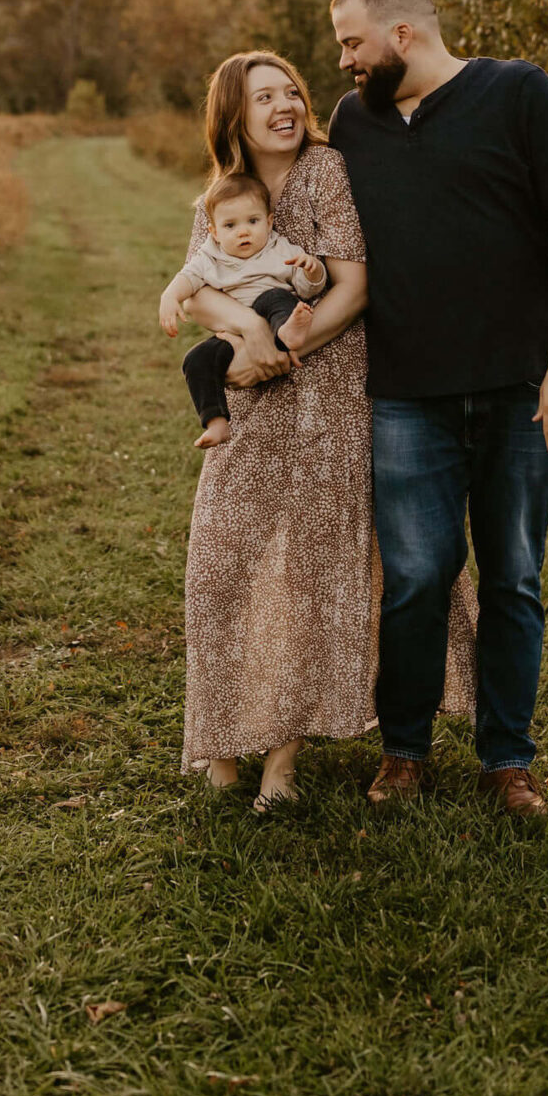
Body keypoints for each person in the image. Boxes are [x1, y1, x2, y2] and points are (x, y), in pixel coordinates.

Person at [328, 0, 548, 824]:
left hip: (522, 390)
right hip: (406, 393)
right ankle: (403, 751)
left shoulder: (518, 93)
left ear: (402, 35)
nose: (342, 61)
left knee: (513, 578)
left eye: (351, 42)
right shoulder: (354, 123)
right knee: (413, 578)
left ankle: (506, 762)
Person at [167, 49, 474, 811]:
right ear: (233, 114)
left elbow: (355, 283)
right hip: (249, 393)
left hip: (326, 392)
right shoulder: (220, 195)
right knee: (219, 564)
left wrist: (283, 347)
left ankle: (281, 759)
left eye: (290, 92)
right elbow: (198, 291)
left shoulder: (325, 171)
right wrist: (246, 335)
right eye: (263, 96)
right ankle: (223, 735)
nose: (282, 106)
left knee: (308, 573)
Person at [160, 170, 327, 447]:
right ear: (213, 231)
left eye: (253, 221)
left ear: (269, 221)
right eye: (230, 226)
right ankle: (216, 422)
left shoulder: (279, 247)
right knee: (196, 360)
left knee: (279, 298)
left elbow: (307, 288)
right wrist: (170, 296)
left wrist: (312, 270)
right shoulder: (211, 254)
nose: (243, 231)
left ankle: (291, 333)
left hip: (274, 315)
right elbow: (188, 278)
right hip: (233, 333)